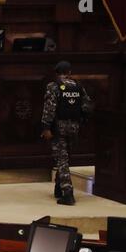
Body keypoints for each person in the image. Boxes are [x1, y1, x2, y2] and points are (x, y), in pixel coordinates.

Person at [41, 61, 93, 206]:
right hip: (74, 126)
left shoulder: (53, 86)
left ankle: (67, 193)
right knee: (64, 157)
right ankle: (59, 187)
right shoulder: (78, 86)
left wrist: (46, 127)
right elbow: (87, 106)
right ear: (69, 72)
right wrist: (80, 121)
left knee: (61, 160)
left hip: (59, 127)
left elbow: (49, 108)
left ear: (56, 73)